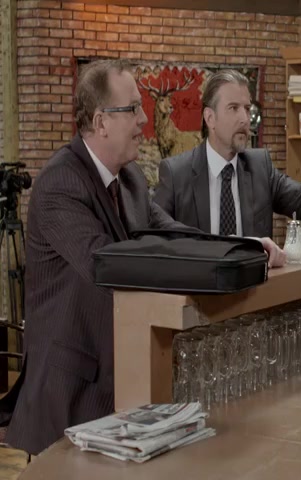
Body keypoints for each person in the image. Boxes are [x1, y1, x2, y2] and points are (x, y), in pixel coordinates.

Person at [4, 59, 191, 455]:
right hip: (69, 392)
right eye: (133, 108)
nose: (144, 119)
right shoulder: (60, 181)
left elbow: (169, 232)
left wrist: (238, 248)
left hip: (121, 383)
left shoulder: (131, 178)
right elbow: (105, 262)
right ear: (101, 122)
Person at [153, 69, 301, 263]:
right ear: (210, 118)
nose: (245, 119)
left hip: (256, 283)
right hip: (200, 281)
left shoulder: (259, 167)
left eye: (247, 109)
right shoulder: (176, 173)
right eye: (233, 108)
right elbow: (155, 239)